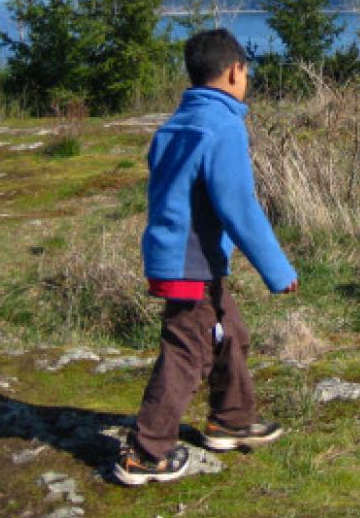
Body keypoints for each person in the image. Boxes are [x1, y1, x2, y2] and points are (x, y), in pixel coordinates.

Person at [114, 29, 299, 486]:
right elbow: (238, 206)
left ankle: (231, 419)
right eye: (247, 73)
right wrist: (277, 269)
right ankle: (146, 451)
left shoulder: (175, 125)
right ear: (235, 70)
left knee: (229, 331)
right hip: (189, 263)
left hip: (174, 255)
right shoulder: (223, 127)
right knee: (186, 351)